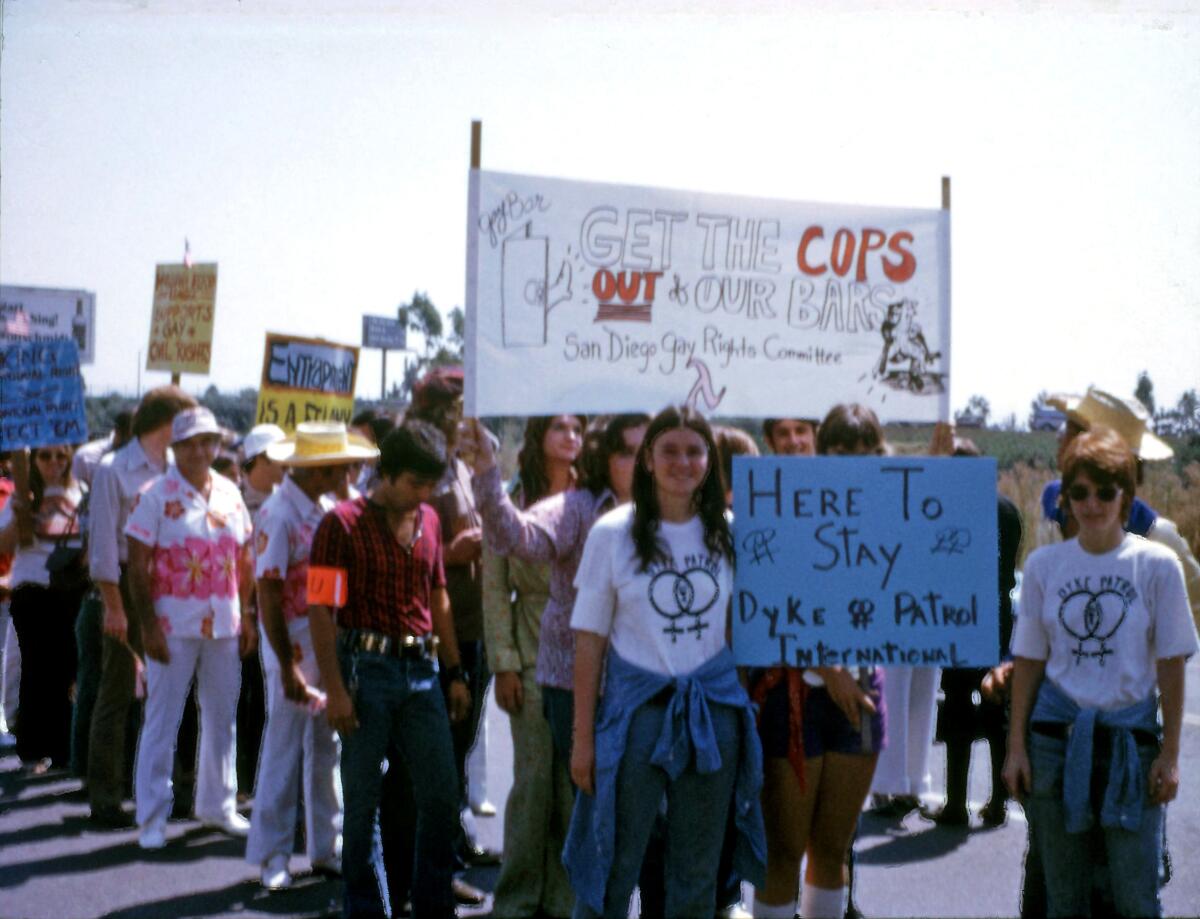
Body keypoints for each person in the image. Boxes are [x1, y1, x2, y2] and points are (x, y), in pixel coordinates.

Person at [563, 405, 766, 919]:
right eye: (669, 450)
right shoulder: (613, 532)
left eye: (694, 450)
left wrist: (736, 710)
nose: (683, 461)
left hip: (711, 717)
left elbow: (739, 631)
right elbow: (588, 642)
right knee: (613, 863)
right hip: (636, 716)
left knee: (696, 875)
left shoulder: (731, 531)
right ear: (648, 460)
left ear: (709, 460)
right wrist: (582, 740)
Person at [1004, 425, 1198, 918]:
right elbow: (1028, 662)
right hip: (1055, 744)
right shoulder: (1045, 566)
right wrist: (1016, 748)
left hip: (1129, 743)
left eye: (1105, 492)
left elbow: (1172, 665)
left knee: (1135, 898)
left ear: (1127, 497)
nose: (1092, 504)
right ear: (1066, 498)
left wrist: (1171, 755)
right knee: (1064, 899)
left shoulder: (1156, 565)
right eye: (1080, 493)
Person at [308, 420, 471, 919]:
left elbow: (437, 595)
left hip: (421, 671)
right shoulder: (341, 523)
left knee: (442, 795)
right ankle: (366, 908)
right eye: (415, 485)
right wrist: (334, 688)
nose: (423, 495)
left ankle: (432, 903)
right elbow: (319, 611)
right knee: (362, 804)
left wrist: (455, 670)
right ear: (388, 474)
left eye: (430, 486)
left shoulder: (430, 521)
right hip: (364, 671)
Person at [751, 404, 885, 919]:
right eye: (841, 451)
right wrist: (830, 671)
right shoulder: (784, 506)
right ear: (822, 451)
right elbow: (768, 604)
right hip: (794, 695)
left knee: (832, 850)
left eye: (865, 452)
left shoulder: (893, 510)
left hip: (864, 692)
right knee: (784, 852)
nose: (853, 462)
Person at [246, 423, 378, 889]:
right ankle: (273, 853)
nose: (347, 469)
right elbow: (268, 590)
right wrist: (285, 665)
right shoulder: (279, 513)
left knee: (328, 745)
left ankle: (327, 846)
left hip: (325, 634)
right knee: (284, 746)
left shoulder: (325, 509)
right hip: (292, 640)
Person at [124, 407, 256, 849]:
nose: (199, 451)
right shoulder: (155, 495)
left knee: (222, 717)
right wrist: (147, 627)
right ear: (175, 448)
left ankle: (218, 805)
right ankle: (153, 818)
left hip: (223, 623)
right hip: (170, 624)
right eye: (189, 443)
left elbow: (245, 558)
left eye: (207, 441)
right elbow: (137, 568)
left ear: (217, 445)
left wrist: (249, 614)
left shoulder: (231, 493)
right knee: (163, 719)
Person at [482, 414, 585, 919]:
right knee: (531, 784)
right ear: (538, 437)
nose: (571, 436)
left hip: (584, 659)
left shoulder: (594, 501)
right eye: (560, 427)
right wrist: (503, 663)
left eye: (579, 428)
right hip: (527, 653)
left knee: (574, 786)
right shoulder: (509, 501)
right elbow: (496, 588)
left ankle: (564, 898)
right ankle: (518, 898)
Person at [86, 385, 196, 829]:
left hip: (169, 587)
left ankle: (173, 788)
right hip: (126, 588)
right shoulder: (114, 470)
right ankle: (106, 794)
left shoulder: (174, 468)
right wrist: (114, 606)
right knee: (117, 691)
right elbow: (103, 548)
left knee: (174, 693)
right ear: (166, 424)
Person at [1041, 388, 1200, 630]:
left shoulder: (1160, 539)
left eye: (1071, 432)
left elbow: (1193, 611)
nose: (1060, 442)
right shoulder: (1053, 507)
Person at [925, 433, 1022, 827]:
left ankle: (955, 803)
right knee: (996, 701)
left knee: (959, 705)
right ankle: (998, 801)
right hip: (998, 612)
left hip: (961, 614)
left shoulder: (951, 512)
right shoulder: (1008, 509)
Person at [0, 444, 88, 770]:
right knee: (36, 666)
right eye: (45, 456)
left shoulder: (81, 491)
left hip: (69, 586)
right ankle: (33, 748)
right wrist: (23, 517)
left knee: (66, 667)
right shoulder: (23, 494)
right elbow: (3, 544)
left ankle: (62, 747)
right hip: (32, 587)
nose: (53, 462)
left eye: (60, 456)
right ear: (34, 460)